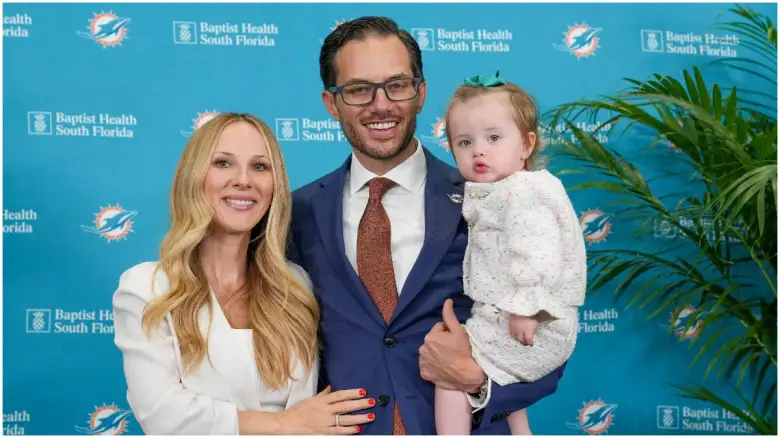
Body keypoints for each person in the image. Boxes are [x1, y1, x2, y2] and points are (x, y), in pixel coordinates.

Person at [287, 17, 567, 435]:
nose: (381, 105)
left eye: (396, 85)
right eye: (359, 90)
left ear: (420, 93)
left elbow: (549, 322)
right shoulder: (299, 211)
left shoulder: (493, 195)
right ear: (332, 103)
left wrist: (478, 380)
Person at [112, 113, 375, 435]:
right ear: (194, 177)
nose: (243, 180)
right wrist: (282, 424)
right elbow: (162, 414)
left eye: (260, 166)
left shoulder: (295, 284)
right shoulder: (148, 288)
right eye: (223, 163)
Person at [432, 73, 587, 435]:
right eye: (464, 142)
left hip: (534, 321)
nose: (479, 150)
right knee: (497, 372)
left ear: (526, 144)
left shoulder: (523, 195)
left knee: (450, 377)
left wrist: (526, 309)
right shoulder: (507, 190)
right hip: (510, 316)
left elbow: (538, 253)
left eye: (494, 138)